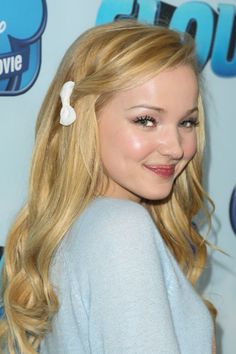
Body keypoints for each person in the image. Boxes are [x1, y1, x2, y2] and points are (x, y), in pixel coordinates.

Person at [0, 20, 217, 353]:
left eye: (186, 122)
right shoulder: (120, 228)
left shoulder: (80, 227)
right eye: (147, 120)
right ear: (85, 117)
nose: (175, 147)